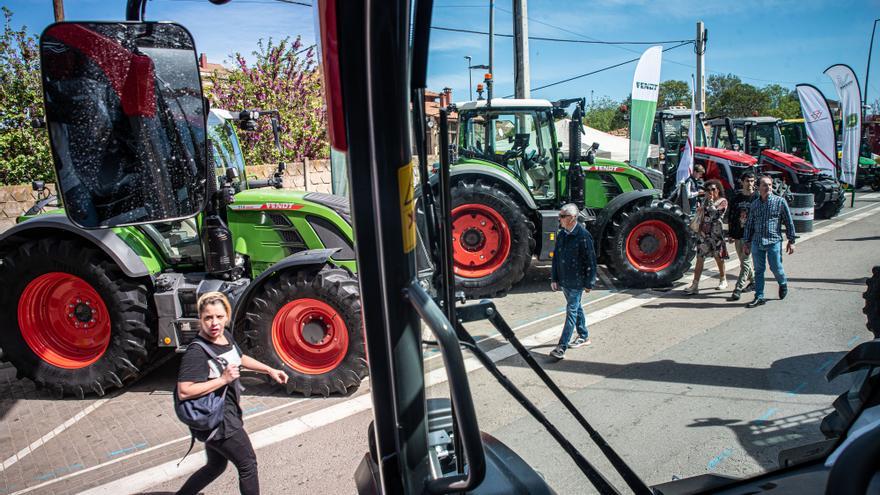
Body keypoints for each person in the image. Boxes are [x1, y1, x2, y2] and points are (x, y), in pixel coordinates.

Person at [177, 292, 289, 495]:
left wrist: (269, 370)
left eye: (219, 317)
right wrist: (222, 380)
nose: (214, 323)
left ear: (226, 316)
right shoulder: (196, 352)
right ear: (200, 319)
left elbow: (239, 357)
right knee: (248, 464)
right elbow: (184, 390)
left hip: (224, 415)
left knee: (215, 466)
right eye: (208, 318)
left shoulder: (224, 336)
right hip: (220, 421)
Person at [549, 203, 597, 360]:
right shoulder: (562, 234)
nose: (560, 219)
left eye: (563, 216)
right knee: (577, 308)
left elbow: (591, 261)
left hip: (576, 282)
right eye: (560, 216)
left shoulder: (583, 236)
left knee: (571, 312)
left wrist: (589, 282)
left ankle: (561, 347)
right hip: (564, 280)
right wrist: (554, 278)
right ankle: (584, 335)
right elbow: (556, 257)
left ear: (573, 218)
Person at [742, 176, 797, 308]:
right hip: (757, 241)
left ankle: (782, 283)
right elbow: (749, 224)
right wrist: (746, 241)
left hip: (773, 241)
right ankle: (759, 296)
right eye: (765, 185)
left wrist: (791, 240)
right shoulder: (754, 204)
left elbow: (789, 222)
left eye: (770, 185)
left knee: (775, 267)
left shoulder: (780, 202)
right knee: (759, 270)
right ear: (758, 187)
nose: (768, 188)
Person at [684, 179, 729, 295]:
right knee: (700, 258)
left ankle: (723, 279)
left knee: (718, 257)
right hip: (704, 234)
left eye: (713, 189)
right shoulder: (704, 201)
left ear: (718, 190)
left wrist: (711, 202)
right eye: (708, 190)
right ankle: (695, 284)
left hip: (716, 234)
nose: (710, 192)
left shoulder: (722, 201)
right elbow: (701, 215)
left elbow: (717, 214)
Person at [726, 172, 757, 301]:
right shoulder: (737, 198)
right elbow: (731, 217)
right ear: (742, 182)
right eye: (747, 181)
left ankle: (738, 288)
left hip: (750, 236)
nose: (750, 184)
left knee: (744, 263)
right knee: (744, 262)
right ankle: (754, 281)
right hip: (738, 234)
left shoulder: (757, 198)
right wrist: (731, 234)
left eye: (752, 181)